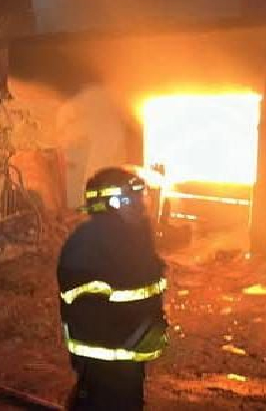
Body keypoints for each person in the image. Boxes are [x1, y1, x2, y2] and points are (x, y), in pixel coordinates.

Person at [57, 166, 169, 411]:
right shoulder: (88, 244)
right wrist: (131, 337)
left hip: (128, 356)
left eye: (140, 198)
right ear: (108, 203)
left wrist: (145, 332)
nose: (139, 206)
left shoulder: (132, 238)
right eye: (130, 200)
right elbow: (87, 312)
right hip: (106, 359)